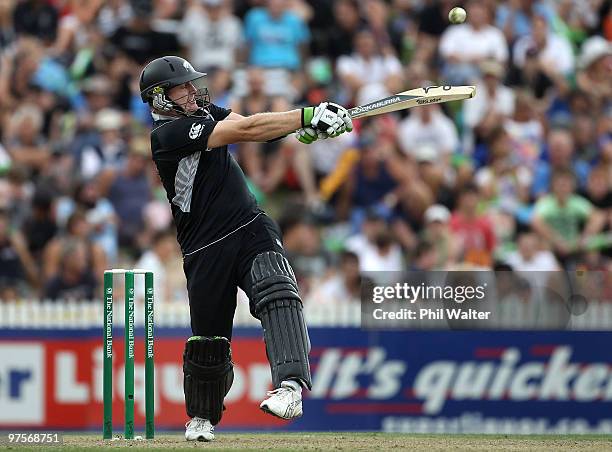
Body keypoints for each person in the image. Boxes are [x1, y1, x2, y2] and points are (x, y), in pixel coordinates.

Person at [138, 55, 352, 441]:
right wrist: (308, 115)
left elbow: (251, 125)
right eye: (182, 87)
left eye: (191, 83)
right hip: (204, 248)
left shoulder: (206, 112)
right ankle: (201, 419)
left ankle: (289, 388)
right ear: (159, 99)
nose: (192, 90)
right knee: (209, 343)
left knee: (279, 293)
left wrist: (308, 129)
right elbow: (249, 130)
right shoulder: (166, 137)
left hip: (250, 226)